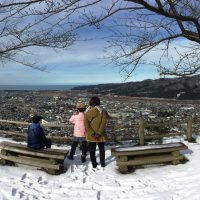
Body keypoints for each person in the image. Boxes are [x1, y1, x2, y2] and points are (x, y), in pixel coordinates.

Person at [84, 96, 108, 168]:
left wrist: (92, 133)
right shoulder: (103, 112)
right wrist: (98, 133)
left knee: (92, 149)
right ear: (98, 102)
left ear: (90, 102)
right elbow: (103, 123)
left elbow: (86, 123)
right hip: (100, 134)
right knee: (101, 149)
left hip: (91, 135)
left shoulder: (87, 112)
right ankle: (103, 163)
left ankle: (94, 164)